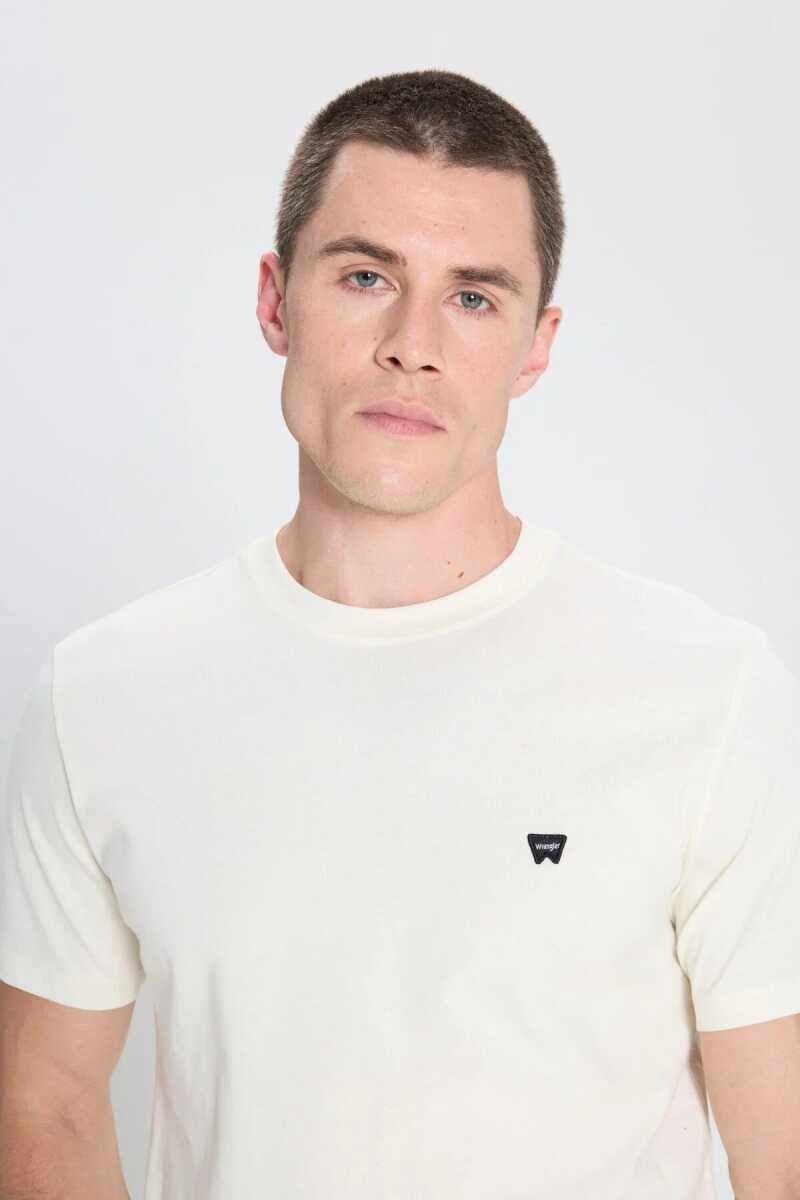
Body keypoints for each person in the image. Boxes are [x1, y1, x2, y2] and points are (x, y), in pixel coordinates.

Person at [1, 68, 799, 1200]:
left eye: (472, 296)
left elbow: (783, 1152)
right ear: (276, 301)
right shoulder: (101, 696)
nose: (410, 345)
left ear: (535, 346)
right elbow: (45, 1101)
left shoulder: (705, 693)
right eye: (366, 276)